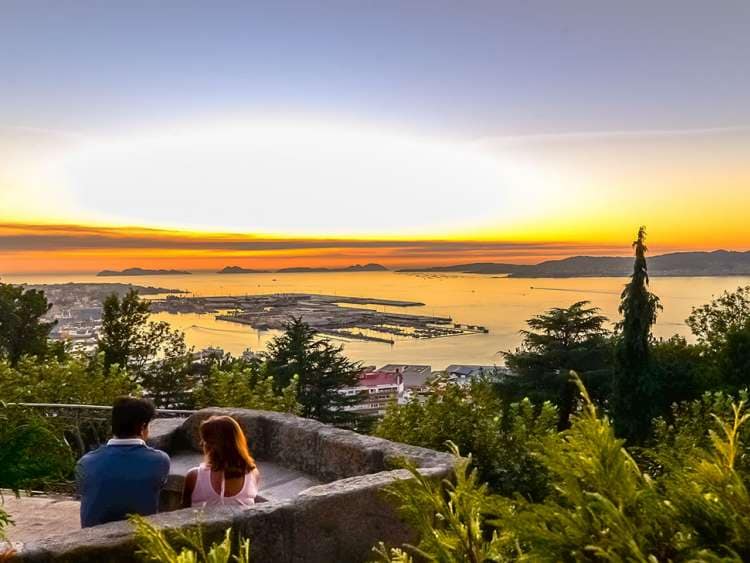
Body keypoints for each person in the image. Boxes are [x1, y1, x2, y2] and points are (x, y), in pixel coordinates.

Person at [76, 397, 171, 527]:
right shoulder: (160, 460)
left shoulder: (85, 462)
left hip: (92, 540)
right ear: (143, 426)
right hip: (138, 538)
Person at [182, 415, 260, 508]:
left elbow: (182, 514)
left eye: (204, 440)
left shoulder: (194, 476)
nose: (201, 444)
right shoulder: (253, 474)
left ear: (210, 446)